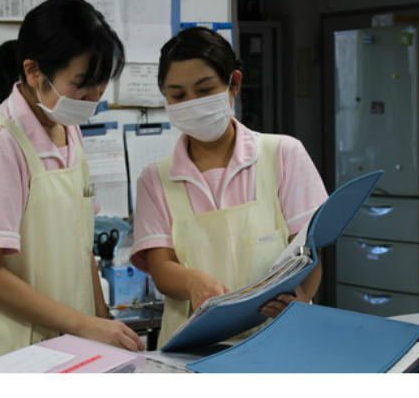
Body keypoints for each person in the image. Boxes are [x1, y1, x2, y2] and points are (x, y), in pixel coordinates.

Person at [0, 0, 144, 372]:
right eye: (83, 84)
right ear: (34, 71)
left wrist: (103, 328)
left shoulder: (69, 130)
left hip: (70, 348)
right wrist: (83, 324)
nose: (95, 97)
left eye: (102, 84)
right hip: (9, 355)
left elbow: (79, 245)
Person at [130, 27, 328, 349]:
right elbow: (161, 267)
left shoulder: (282, 155)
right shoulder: (156, 179)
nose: (191, 103)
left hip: (277, 339)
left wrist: (301, 299)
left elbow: (309, 249)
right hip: (190, 351)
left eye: (205, 90)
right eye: (178, 96)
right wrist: (192, 281)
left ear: (233, 83)